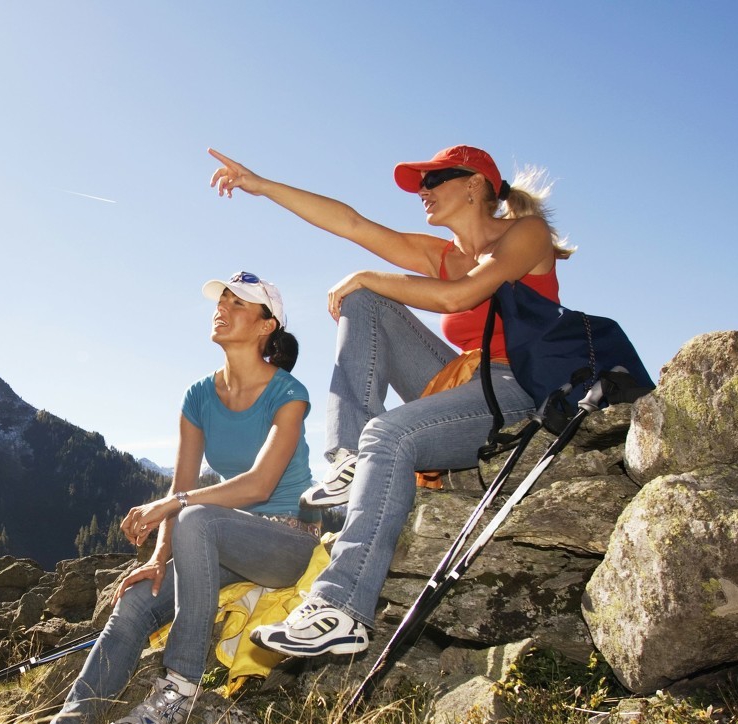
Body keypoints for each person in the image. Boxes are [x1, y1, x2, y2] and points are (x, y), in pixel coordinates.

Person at [207, 145, 573, 657]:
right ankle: (349, 457)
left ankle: (340, 608)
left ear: (475, 184)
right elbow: (352, 223)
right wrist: (261, 185)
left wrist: (366, 274)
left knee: (387, 429)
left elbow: (459, 296)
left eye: (434, 180)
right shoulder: (444, 255)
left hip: (518, 387)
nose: (423, 191)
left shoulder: (525, 234)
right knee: (364, 301)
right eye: (421, 183)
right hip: (464, 378)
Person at [41, 272, 321, 724]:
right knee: (135, 602)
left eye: (239, 303)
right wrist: (158, 557)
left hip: (286, 541)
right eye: (222, 299)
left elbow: (259, 484)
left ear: (266, 326)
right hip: (220, 540)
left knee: (195, 516)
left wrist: (175, 504)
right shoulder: (199, 396)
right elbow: (183, 484)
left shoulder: (288, 394)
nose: (223, 307)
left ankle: (180, 687)